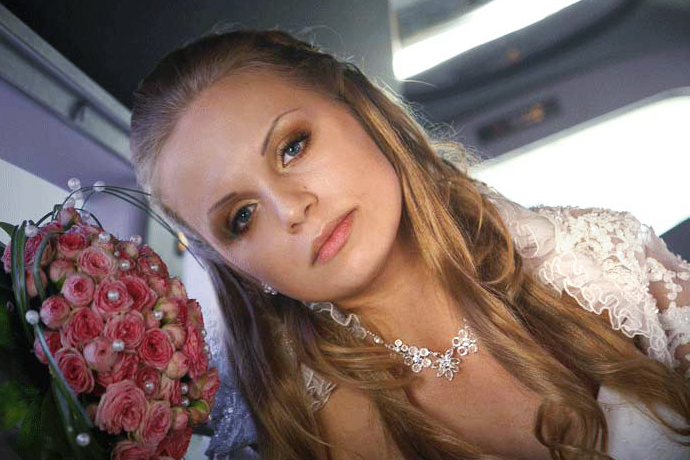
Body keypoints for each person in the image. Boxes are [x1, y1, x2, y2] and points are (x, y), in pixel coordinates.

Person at [129, 29, 690, 460]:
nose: (291, 209)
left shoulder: (603, 257)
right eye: (242, 217)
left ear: (358, 108)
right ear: (234, 265)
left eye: (292, 147)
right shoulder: (298, 436)